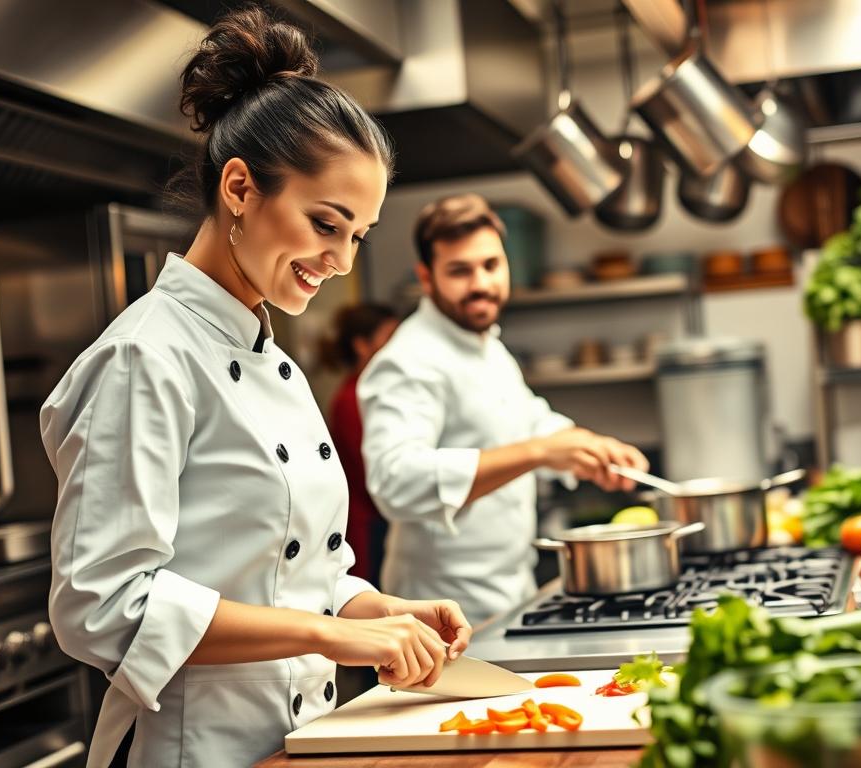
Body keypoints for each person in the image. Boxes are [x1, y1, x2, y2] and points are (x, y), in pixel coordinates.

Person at [39, 10, 470, 767]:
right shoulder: (146, 356)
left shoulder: (271, 354)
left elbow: (296, 569)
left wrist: (378, 608)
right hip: (190, 750)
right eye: (325, 223)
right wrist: (338, 635)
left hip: (293, 743)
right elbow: (104, 608)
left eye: (357, 236)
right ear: (240, 187)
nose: (339, 260)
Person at [358, 193, 650, 625]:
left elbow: (527, 421)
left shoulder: (488, 347)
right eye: (459, 271)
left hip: (511, 593)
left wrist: (589, 448)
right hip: (440, 613)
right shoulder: (408, 360)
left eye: (491, 265)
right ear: (427, 277)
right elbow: (394, 480)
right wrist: (539, 453)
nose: (480, 284)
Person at [320, 303, 399, 585]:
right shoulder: (350, 398)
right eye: (389, 339)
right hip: (368, 524)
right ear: (362, 345)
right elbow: (368, 472)